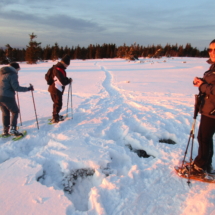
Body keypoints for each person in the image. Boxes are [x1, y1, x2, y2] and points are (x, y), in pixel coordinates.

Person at [190, 39, 215, 175]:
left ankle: (200, 166)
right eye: (210, 49)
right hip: (209, 107)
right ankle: (205, 164)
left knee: (204, 138)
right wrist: (201, 81)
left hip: (213, 110)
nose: (211, 53)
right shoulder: (213, 67)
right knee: (205, 137)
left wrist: (202, 85)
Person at [0, 62, 34, 136]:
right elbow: (16, 88)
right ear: (15, 69)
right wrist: (28, 88)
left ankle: (5, 131)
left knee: (5, 113)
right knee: (15, 111)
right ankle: (13, 129)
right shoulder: (12, 74)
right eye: (18, 69)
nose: (18, 71)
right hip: (7, 97)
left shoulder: (2, 73)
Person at [48, 54, 72, 123]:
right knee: (58, 104)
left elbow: (60, 78)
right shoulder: (58, 69)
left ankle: (55, 115)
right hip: (56, 89)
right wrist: (69, 81)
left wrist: (67, 79)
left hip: (53, 88)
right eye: (67, 65)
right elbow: (63, 82)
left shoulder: (55, 67)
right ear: (64, 63)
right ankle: (55, 118)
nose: (67, 66)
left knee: (56, 103)